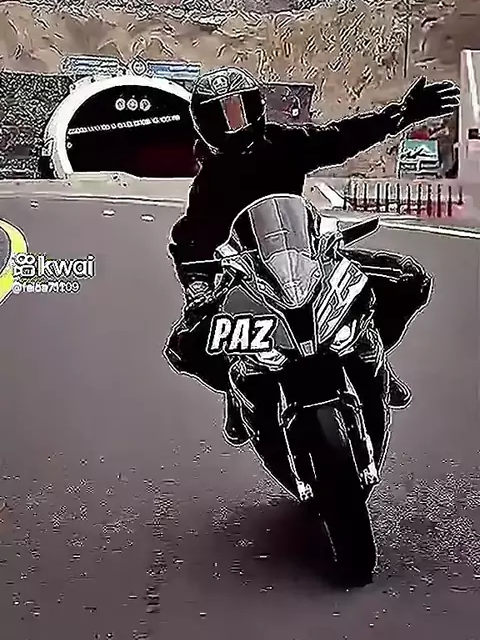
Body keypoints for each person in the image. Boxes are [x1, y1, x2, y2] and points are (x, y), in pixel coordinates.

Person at [165, 66, 459, 445]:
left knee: (408, 280)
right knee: (188, 344)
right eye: (221, 115)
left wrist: (402, 114)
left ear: (256, 108)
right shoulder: (208, 182)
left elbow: (342, 137)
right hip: (247, 275)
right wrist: (199, 288)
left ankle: (371, 354)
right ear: (203, 124)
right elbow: (190, 243)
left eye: (238, 110)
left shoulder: (283, 144)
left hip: (307, 255)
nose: (232, 123)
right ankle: (238, 391)